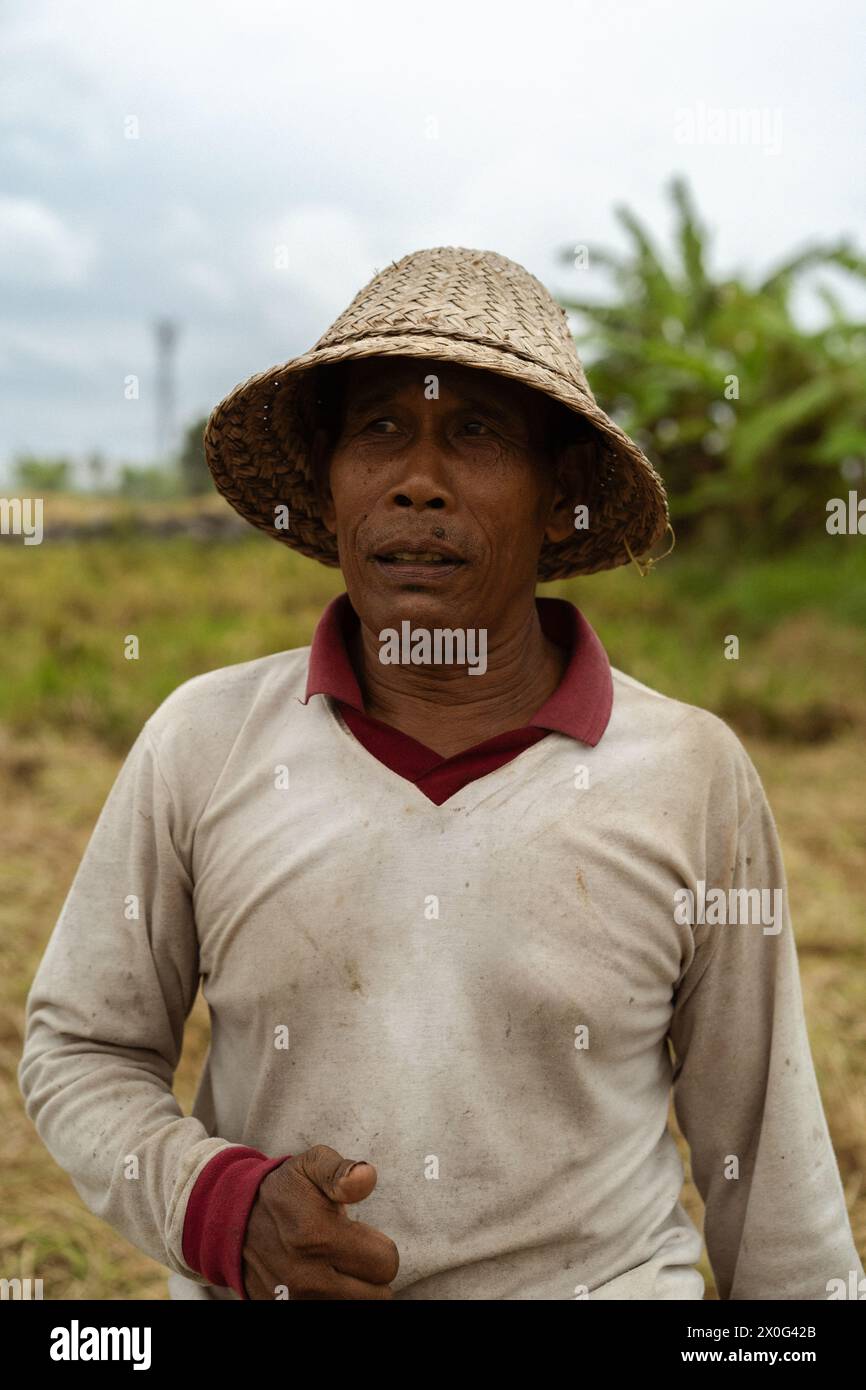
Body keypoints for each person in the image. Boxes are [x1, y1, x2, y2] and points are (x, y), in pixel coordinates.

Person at [19, 246, 863, 1300]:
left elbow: (763, 1156)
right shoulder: (204, 740)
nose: (417, 482)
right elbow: (80, 1046)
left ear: (559, 498)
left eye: (475, 433)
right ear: (330, 490)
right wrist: (218, 1202)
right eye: (379, 429)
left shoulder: (689, 773)